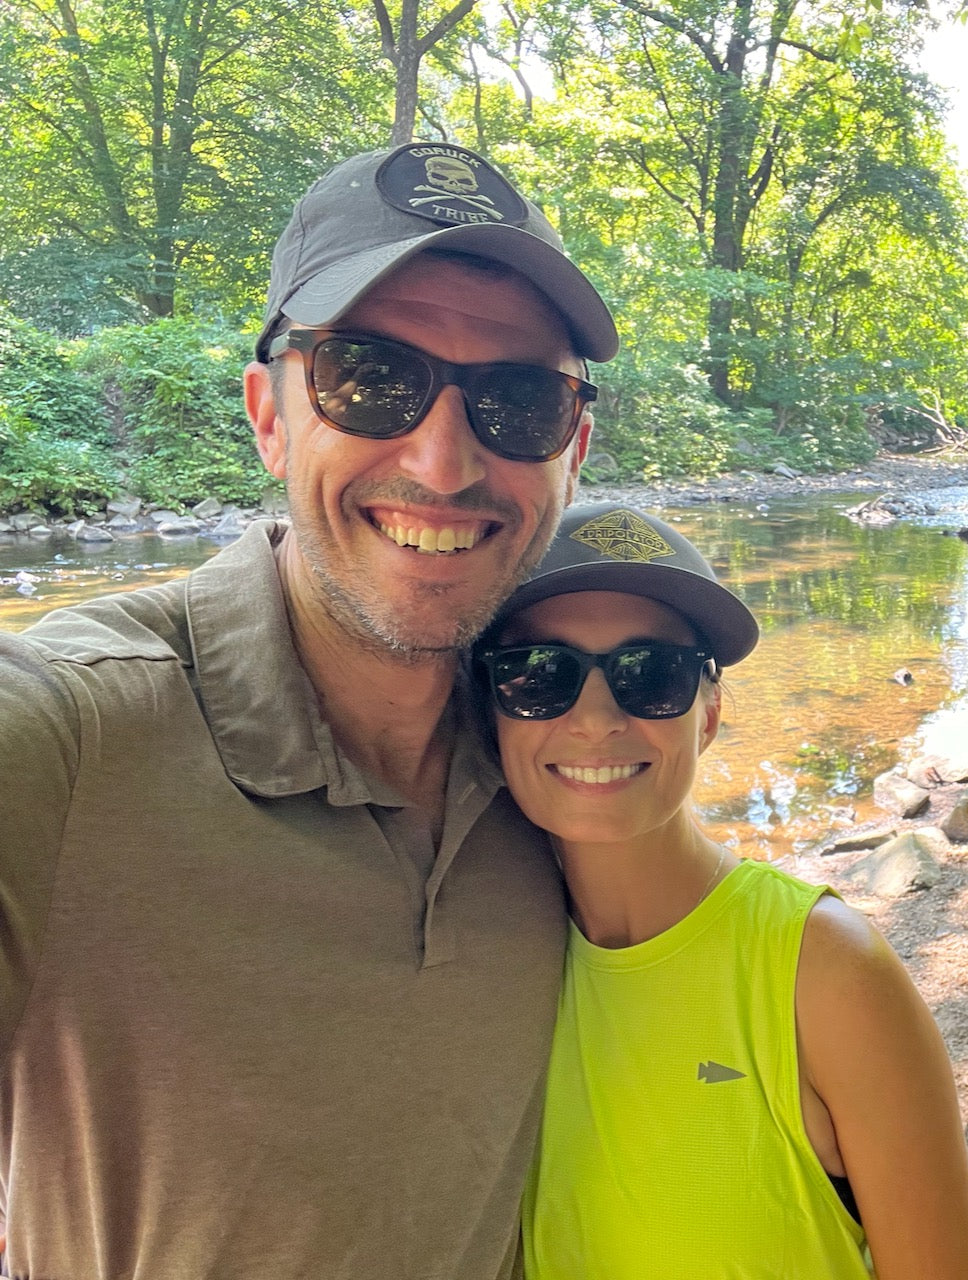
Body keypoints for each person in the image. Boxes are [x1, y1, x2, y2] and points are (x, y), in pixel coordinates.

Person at [0, 140, 616, 1278]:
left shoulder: (566, 745)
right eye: (370, 378)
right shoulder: (72, 737)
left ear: (571, 449)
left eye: (516, 400)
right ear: (270, 414)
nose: (441, 462)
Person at [472, 504, 968, 1279]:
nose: (595, 719)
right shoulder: (480, 962)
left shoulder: (824, 972)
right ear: (491, 708)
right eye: (539, 675)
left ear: (709, 713)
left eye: (652, 675)